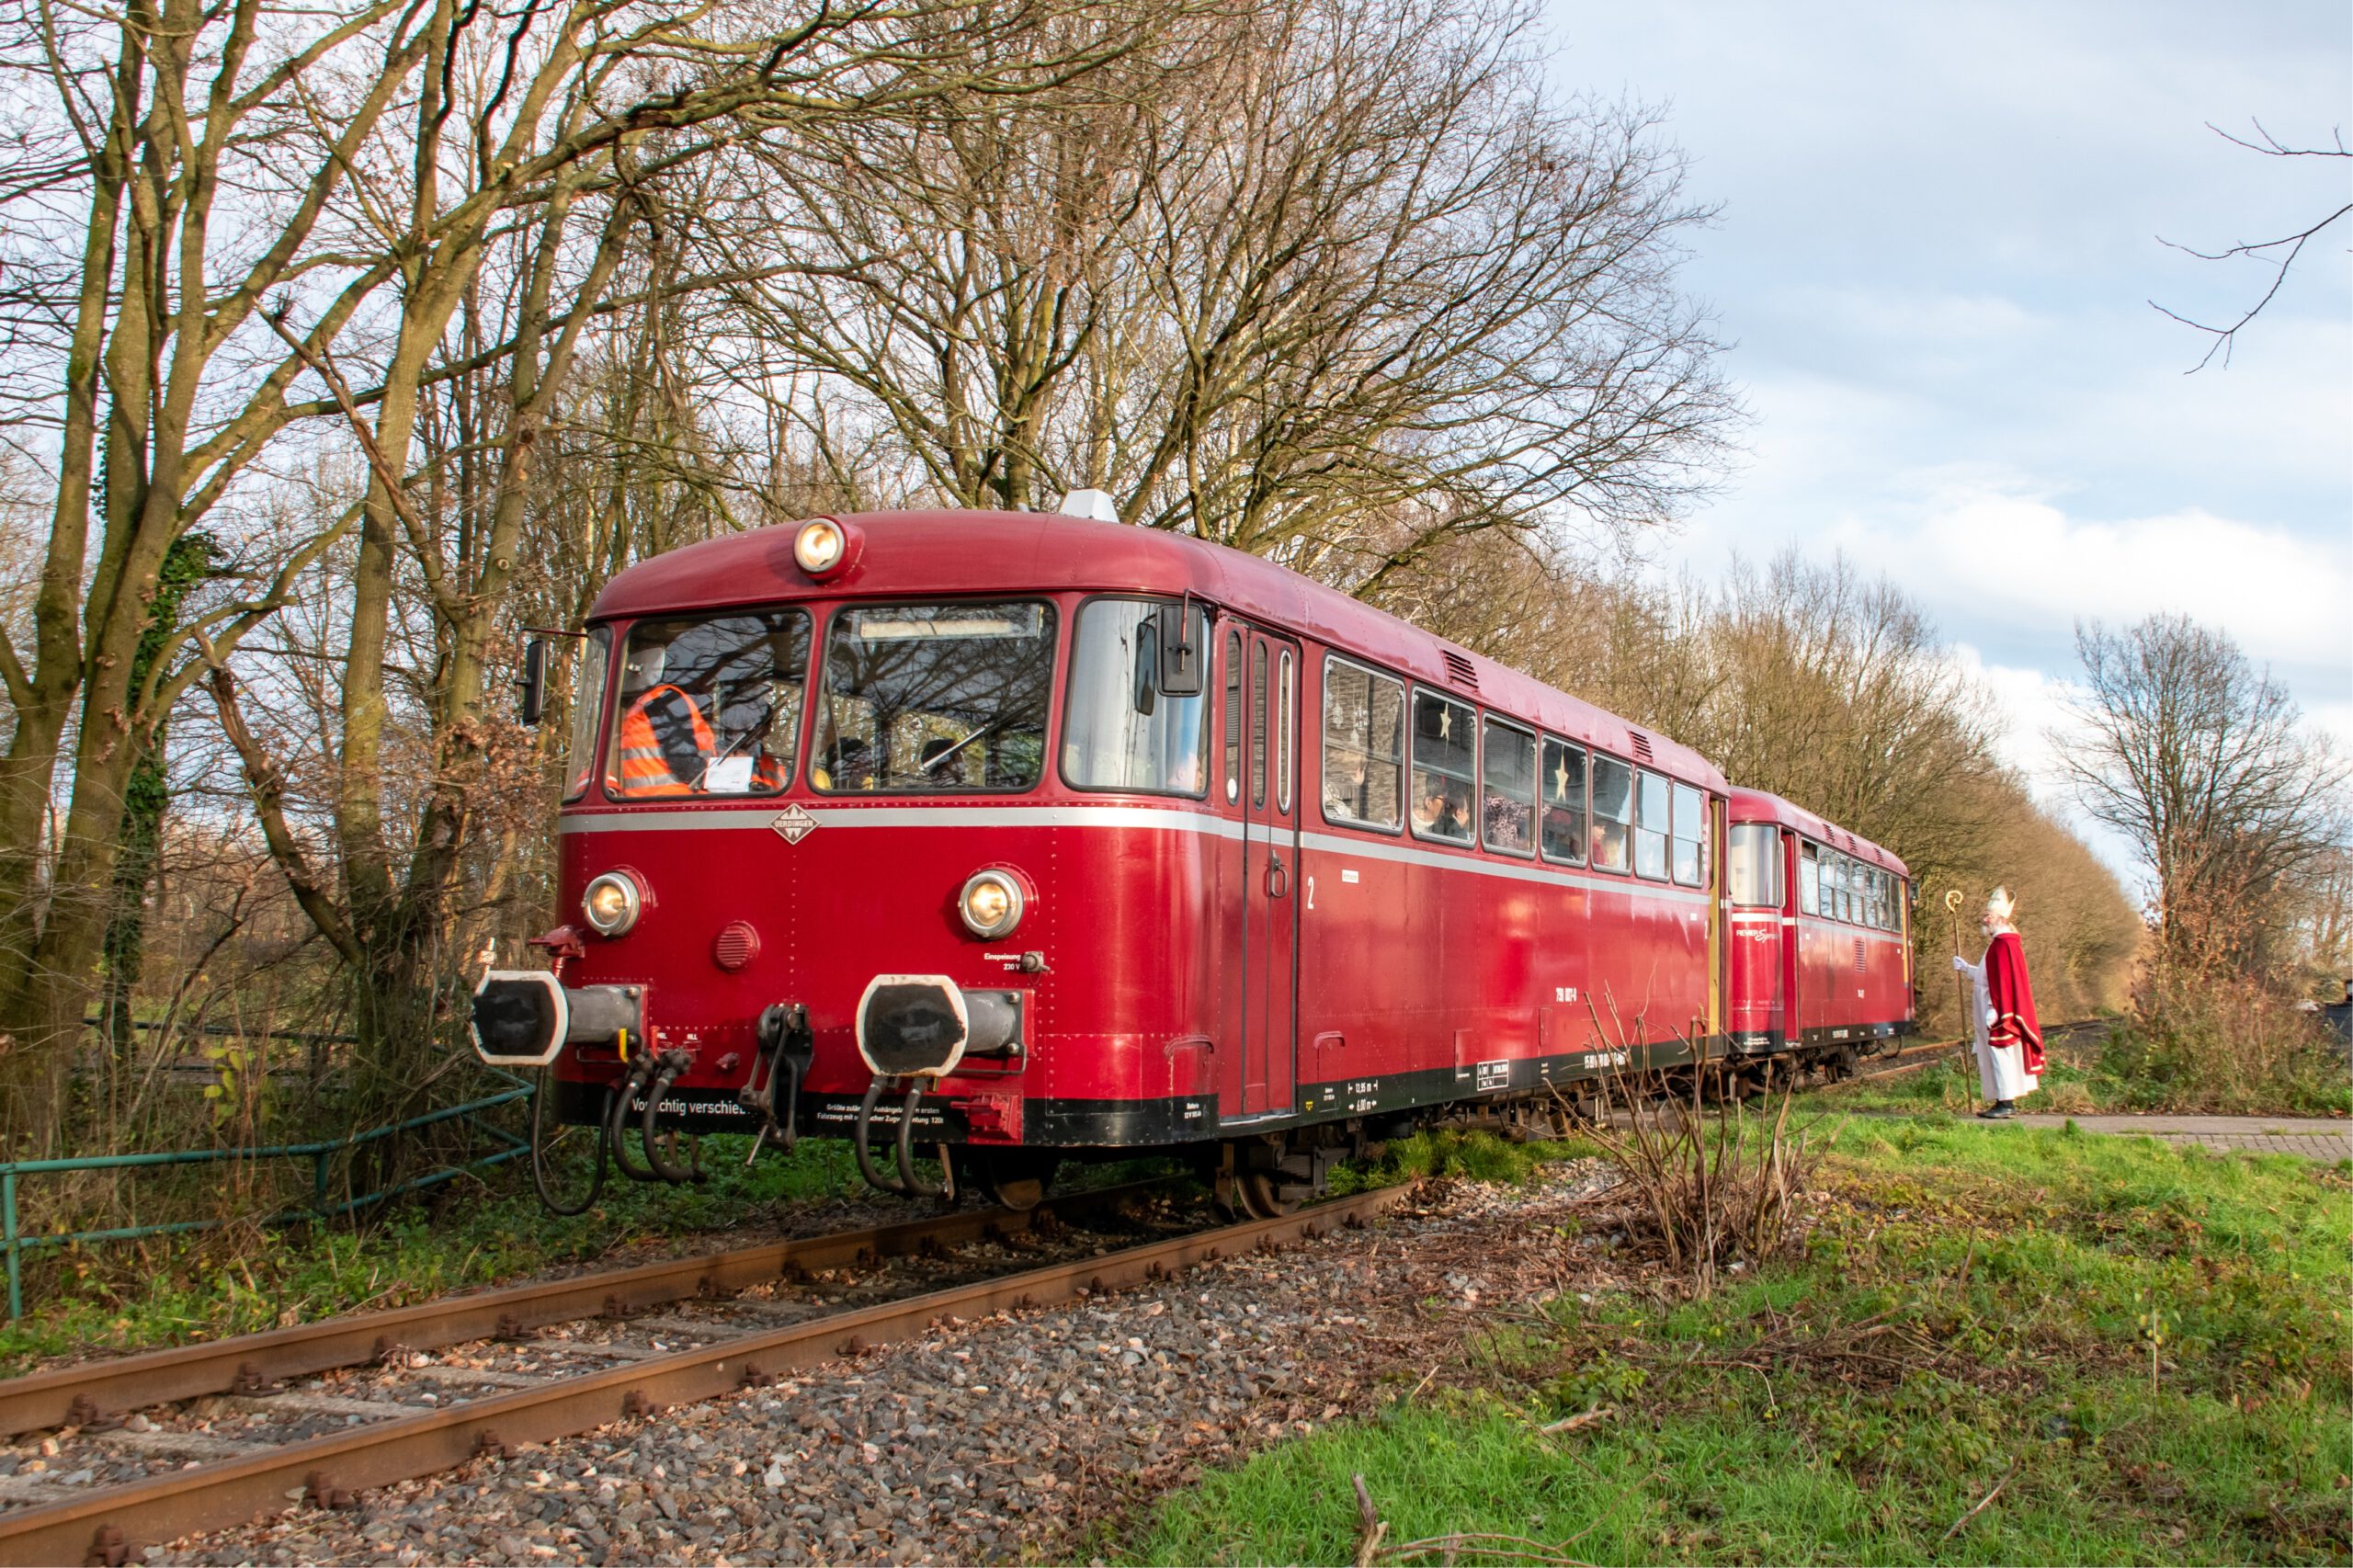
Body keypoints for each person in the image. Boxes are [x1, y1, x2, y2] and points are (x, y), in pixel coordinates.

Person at [1952, 885, 2044, 1118]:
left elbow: (2003, 982)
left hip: (1999, 1010)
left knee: (2000, 1053)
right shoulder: (1998, 944)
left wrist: (1995, 1009)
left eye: (1989, 915)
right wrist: (1967, 969)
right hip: (1994, 1006)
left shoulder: (2005, 945)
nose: (1984, 919)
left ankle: (2006, 1103)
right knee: (1996, 1054)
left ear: (2001, 919)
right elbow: (1989, 977)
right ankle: (2002, 1100)